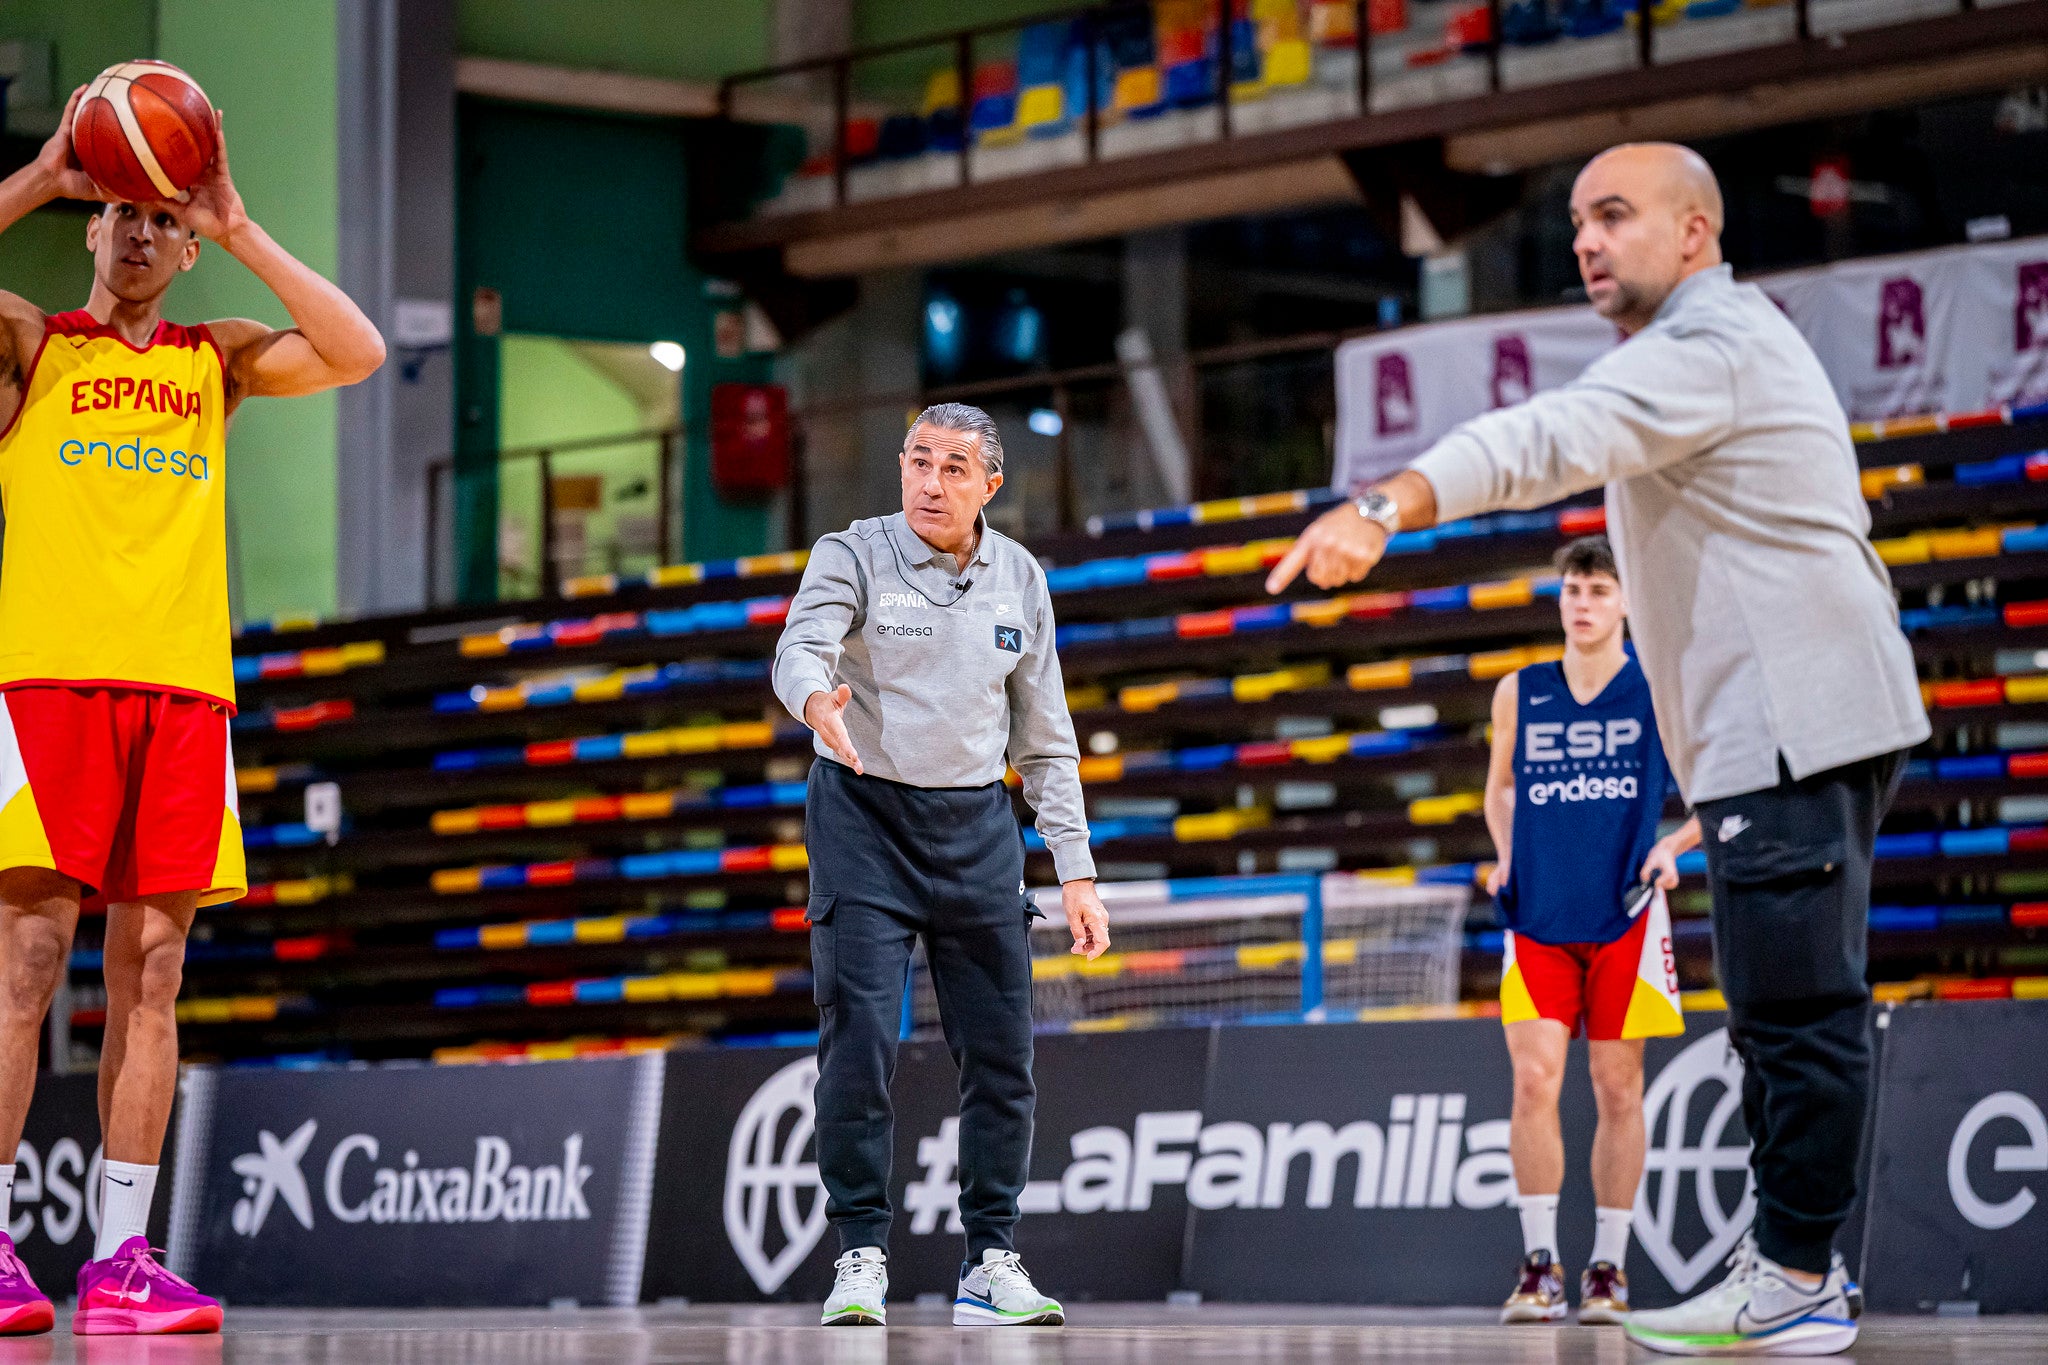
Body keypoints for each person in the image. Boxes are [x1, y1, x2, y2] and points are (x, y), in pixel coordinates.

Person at [1269, 142, 1927, 1356]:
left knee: (1796, 1014)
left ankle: (1795, 1277)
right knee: (1785, 1012)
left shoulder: (1705, 346)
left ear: (1692, 235)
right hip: (1789, 719)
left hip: (1789, 721)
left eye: (1612, 215)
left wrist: (1381, 506)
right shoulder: (1711, 352)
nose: (1583, 239)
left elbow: (1543, 437)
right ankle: (1789, 1264)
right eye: (1574, 218)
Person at [0, 90, 384, 1334]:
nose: (133, 235)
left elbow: (360, 348)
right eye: (115, 214)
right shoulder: (31, 345)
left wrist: (241, 226)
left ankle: (119, 1256)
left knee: (152, 973)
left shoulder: (212, 359)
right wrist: (43, 173)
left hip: (183, 697)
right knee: (27, 965)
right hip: (51, 681)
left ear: (180, 244)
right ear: (90, 230)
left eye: (157, 220)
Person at [773, 402, 1111, 1329]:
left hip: (977, 829)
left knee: (1003, 1056)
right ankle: (858, 1254)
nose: (931, 481)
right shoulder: (852, 552)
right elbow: (798, 644)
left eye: (955, 467)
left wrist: (1074, 868)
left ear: (990, 485)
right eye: (919, 460)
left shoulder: (1022, 579)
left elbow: (1047, 737)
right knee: (861, 1043)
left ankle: (990, 1260)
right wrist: (814, 700)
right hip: (863, 816)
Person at [1484, 535, 1697, 1327]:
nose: (1583, 603)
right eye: (1574, 589)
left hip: (1627, 915)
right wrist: (1505, 854)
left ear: (1628, 600)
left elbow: (1717, 781)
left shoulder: (1660, 685)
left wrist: (1672, 847)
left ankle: (1609, 1266)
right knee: (1535, 1078)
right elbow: (1498, 791)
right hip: (1538, 913)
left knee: (1618, 1085)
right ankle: (1539, 1265)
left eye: (1600, 590)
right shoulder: (1521, 691)